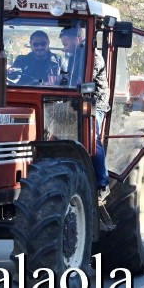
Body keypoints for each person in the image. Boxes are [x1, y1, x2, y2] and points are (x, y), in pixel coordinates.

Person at [60, 26, 111, 201]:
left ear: (77, 39)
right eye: (62, 42)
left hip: (95, 102)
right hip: (76, 100)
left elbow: (84, 80)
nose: (64, 45)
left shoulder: (93, 56)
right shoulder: (73, 56)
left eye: (66, 42)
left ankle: (102, 182)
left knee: (92, 137)